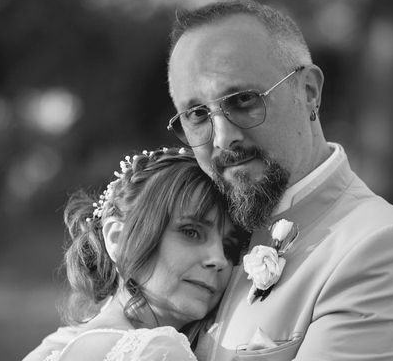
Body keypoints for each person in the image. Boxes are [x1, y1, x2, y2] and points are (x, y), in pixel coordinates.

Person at [24, 0, 393, 361]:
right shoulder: (206, 221)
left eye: (244, 101)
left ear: (310, 92)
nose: (223, 138)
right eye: (197, 115)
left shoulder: (379, 248)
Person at [28, 147, 246, 361]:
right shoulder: (157, 352)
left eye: (229, 247)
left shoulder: (56, 346)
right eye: (191, 232)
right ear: (117, 238)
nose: (218, 260)